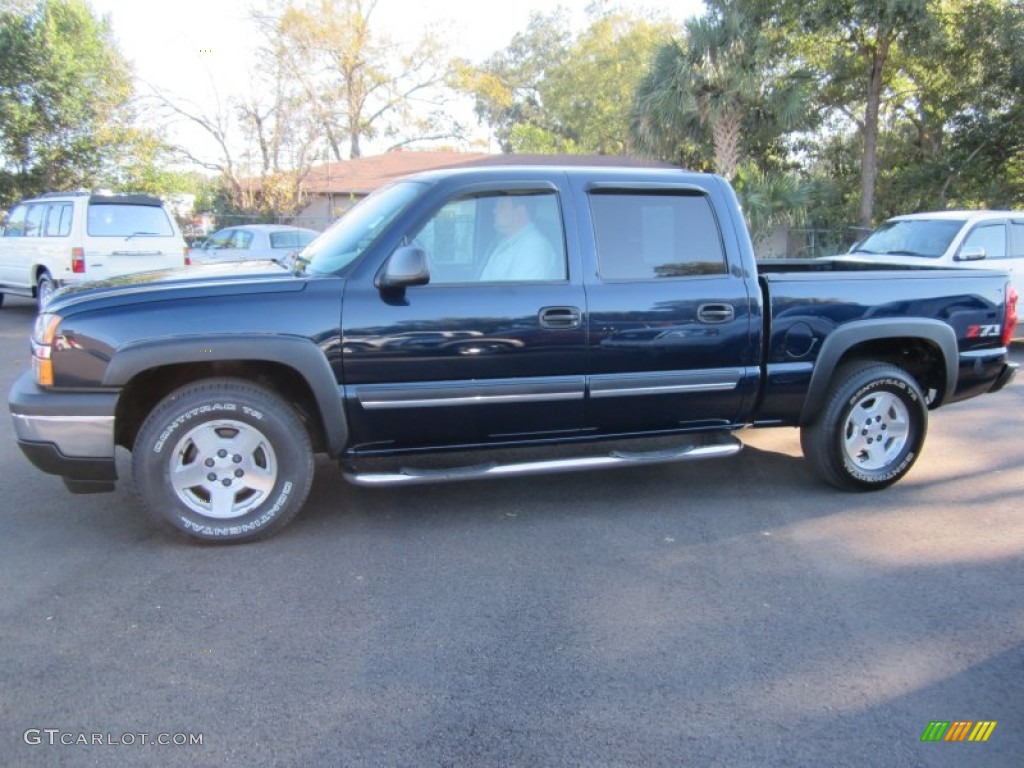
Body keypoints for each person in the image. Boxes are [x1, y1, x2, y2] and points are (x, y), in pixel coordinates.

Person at [479, 196, 561, 281]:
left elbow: (517, 293)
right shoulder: (504, 244)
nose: (494, 211)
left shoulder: (534, 248)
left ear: (520, 212)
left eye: (502, 206)